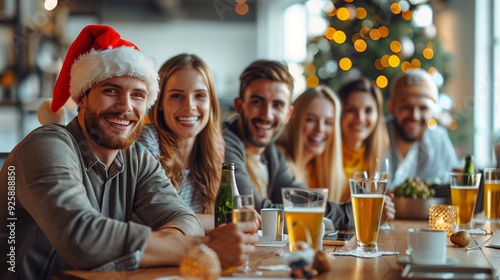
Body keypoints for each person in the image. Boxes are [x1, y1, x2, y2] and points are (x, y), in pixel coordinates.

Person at [0, 25, 257, 280]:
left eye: (138, 95)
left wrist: (170, 241)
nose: (125, 107)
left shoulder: (137, 158)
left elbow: (184, 218)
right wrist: (204, 248)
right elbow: (82, 238)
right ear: (81, 98)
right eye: (111, 91)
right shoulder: (45, 146)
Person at [223, 60, 395, 230]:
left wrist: (362, 208)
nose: (267, 115)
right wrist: (357, 213)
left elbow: (302, 200)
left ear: (287, 114)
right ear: (239, 105)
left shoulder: (271, 153)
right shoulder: (225, 144)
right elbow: (257, 210)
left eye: (277, 105)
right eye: (257, 102)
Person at [137, 54, 223, 231]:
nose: (189, 106)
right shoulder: (148, 139)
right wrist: (228, 219)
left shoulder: (214, 149)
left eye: (200, 95)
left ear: (211, 103)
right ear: (160, 103)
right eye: (177, 96)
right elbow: (161, 220)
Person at [387, 69, 460, 188]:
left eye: (423, 108)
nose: (415, 116)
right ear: (391, 107)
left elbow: (455, 182)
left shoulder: (438, 138)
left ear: (433, 111)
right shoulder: (375, 136)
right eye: (406, 107)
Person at [275, 85, 346, 202]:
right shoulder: (279, 159)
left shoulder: (319, 169)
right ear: (294, 120)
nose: (320, 129)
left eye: (328, 122)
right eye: (311, 120)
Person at [338, 78, 390, 200]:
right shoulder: (321, 152)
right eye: (351, 110)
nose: (360, 118)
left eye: (368, 110)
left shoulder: (376, 154)